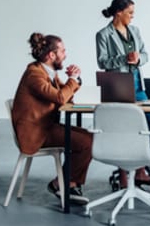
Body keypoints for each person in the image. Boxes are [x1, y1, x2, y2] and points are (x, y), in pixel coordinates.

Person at [11, 32, 92, 205]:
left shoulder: (47, 72)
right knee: (86, 142)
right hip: (36, 133)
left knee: (89, 138)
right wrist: (72, 80)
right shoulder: (34, 74)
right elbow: (61, 97)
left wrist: (75, 80)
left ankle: (66, 183)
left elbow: (65, 94)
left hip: (46, 126)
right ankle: (65, 185)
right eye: (63, 51)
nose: (65, 54)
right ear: (51, 55)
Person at [95, 0, 150, 188]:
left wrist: (138, 59)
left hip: (138, 84)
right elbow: (102, 61)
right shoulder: (104, 34)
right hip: (117, 85)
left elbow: (146, 54)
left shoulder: (135, 31)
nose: (132, 16)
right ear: (118, 13)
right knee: (123, 129)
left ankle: (138, 169)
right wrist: (124, 59)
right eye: (130, 12)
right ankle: (124, 173)